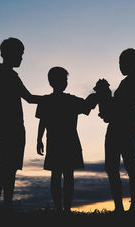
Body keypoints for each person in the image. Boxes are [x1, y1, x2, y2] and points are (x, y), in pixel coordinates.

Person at [0, 37, 41, 212]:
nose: (21, 58)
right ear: (9, 54)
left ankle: (5, 205)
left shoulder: (9, 75)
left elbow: (29, 98)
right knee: (3, 165)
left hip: (15, 127)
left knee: (9, 167)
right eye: (20, 54)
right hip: (8, 127)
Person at [94, 48, 135, 215]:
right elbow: (116, 107)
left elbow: (117, 108)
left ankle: (125, 208)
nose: (119, 66)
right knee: (128, 166)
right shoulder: (133, 80)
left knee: (117, 167)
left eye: (122, 63)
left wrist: (104, 94)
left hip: (121, 126)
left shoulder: (130, 81)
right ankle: (130, 208)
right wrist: (106, 96)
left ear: (130, 63)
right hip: (126, 125)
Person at [35, 67, 97, 213]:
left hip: (59, 143)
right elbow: (88, 106)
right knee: (64, 176)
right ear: (55, 82)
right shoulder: (68, 100)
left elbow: (88, 105)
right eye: (63, 80)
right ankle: (63, 209)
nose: (65, 82)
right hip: (66, 143)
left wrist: (39, 140)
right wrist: (38, 140)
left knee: (59, 176)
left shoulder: (47, 101)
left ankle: (63, 209)